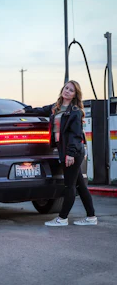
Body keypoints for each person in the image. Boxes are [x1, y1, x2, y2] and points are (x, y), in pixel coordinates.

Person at [14, 80, 97, 226]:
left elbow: (76, 135)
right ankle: (91, 217)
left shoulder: (75, 112)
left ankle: (62, 218)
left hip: (72, 152)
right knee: (80, 186)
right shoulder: (56, 107)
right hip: (65, 150)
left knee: (69, 186)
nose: (67, 91)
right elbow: (41, 110)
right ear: (62, 89)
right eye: (66, 88)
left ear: (75, 95)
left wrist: (70, 154)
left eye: (71, 90)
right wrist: (25, 111)